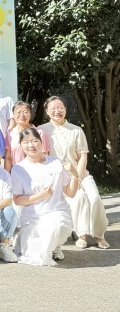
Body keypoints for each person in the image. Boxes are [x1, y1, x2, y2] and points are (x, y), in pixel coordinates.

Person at [38, 97, 109, 249]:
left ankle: (99, 234)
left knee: (94, 198)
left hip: (80, 173)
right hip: (58, 178)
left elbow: (83, 156)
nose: (57, 111)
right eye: (53, 108)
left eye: (60, 107)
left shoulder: (76, 130)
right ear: (47, 111)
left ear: (65, 109)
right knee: (79, 197)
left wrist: (77, 176)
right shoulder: (42, 130)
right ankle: (82, 235)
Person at [11, 127, 80, 265]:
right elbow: (17, 200)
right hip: (33, 218)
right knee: (32, 252)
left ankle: (53, 245)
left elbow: (70, 193)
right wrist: (40, 196)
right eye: (26, 142)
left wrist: (74, 174)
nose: (31, 145)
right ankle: (46, 244)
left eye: (34, 141)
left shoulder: (56, 163)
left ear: (41, 142)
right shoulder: (19, 168)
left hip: (56, 212)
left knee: (55, 226)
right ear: (21, 146)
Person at [4, 101, 50, 171]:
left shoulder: (40, 133)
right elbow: (8, 158)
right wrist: (7, 175)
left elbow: (45, 156)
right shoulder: (10, 133)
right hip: (17, 171)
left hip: (36, 171)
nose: (22, 115)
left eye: (25, 112)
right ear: (13, 115)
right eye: (18, 112)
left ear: (30, 114)